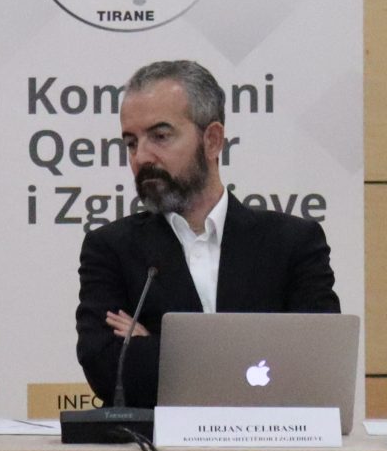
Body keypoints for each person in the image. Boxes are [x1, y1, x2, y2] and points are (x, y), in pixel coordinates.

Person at [74, 59, 338, 406]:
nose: (141, 157)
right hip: (161, 442)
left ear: (212, 140)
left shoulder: (292, 243)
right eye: (131, 143)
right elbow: (108, 371)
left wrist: (155, 346)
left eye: (160, 136)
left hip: (270, 440)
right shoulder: (112, 249)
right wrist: (249, 365)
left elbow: (316, 366)